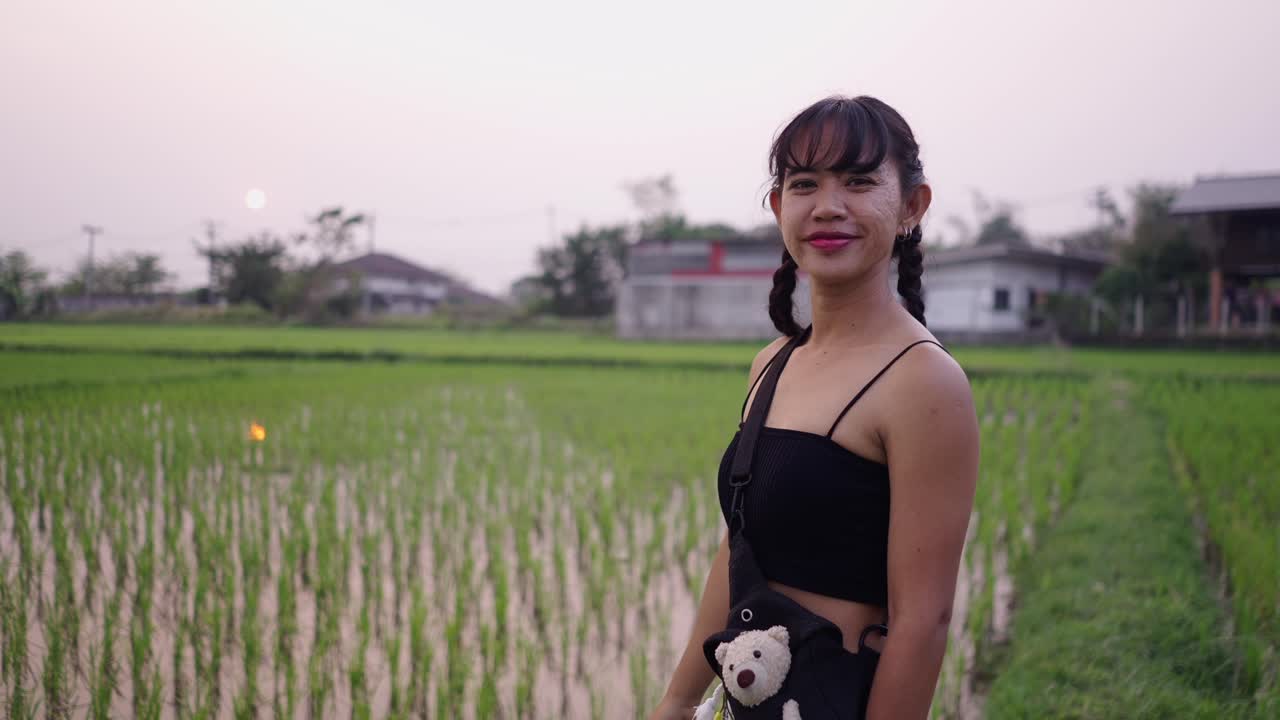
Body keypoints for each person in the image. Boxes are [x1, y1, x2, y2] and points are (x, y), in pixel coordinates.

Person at [649, 95, 980, 720]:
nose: (828, 206)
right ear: (779, 208)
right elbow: (742, 550)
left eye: (859, 182)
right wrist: (677, 698)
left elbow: (922, 621)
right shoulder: (772, 363)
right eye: (805, 184)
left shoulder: (923, 381)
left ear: (913, 205)